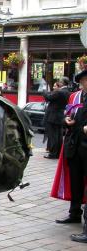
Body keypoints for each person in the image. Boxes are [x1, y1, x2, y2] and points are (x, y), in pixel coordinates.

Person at [53, 70, 87, 227]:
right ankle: (74, 213)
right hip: (74, 145)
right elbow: (66, 113)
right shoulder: (75, 96)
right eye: (84, 80)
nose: (86, 83)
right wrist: (66, 120)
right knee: (75, 181)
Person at [43, 77, 70, 159]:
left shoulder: (60, 91)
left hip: (53, 116)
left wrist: (44, 90)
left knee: (53, 136)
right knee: (58, 136)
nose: (58, 82)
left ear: (63, 83)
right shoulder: (67, 92)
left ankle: (53, 153)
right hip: (60, 116)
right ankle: (58, 153)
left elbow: (48, 97)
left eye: (60, 81)